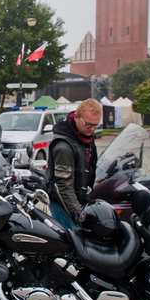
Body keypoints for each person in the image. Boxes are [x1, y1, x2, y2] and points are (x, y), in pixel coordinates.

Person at [46, 98, 102, 230]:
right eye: (88, 124)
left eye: (96, 125)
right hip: (64, 204)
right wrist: (80, 216)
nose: (92, 129)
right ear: (76, 117)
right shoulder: (63, 147)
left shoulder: (82, 135)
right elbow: (63, 187)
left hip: (79, 197)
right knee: (71, 244)